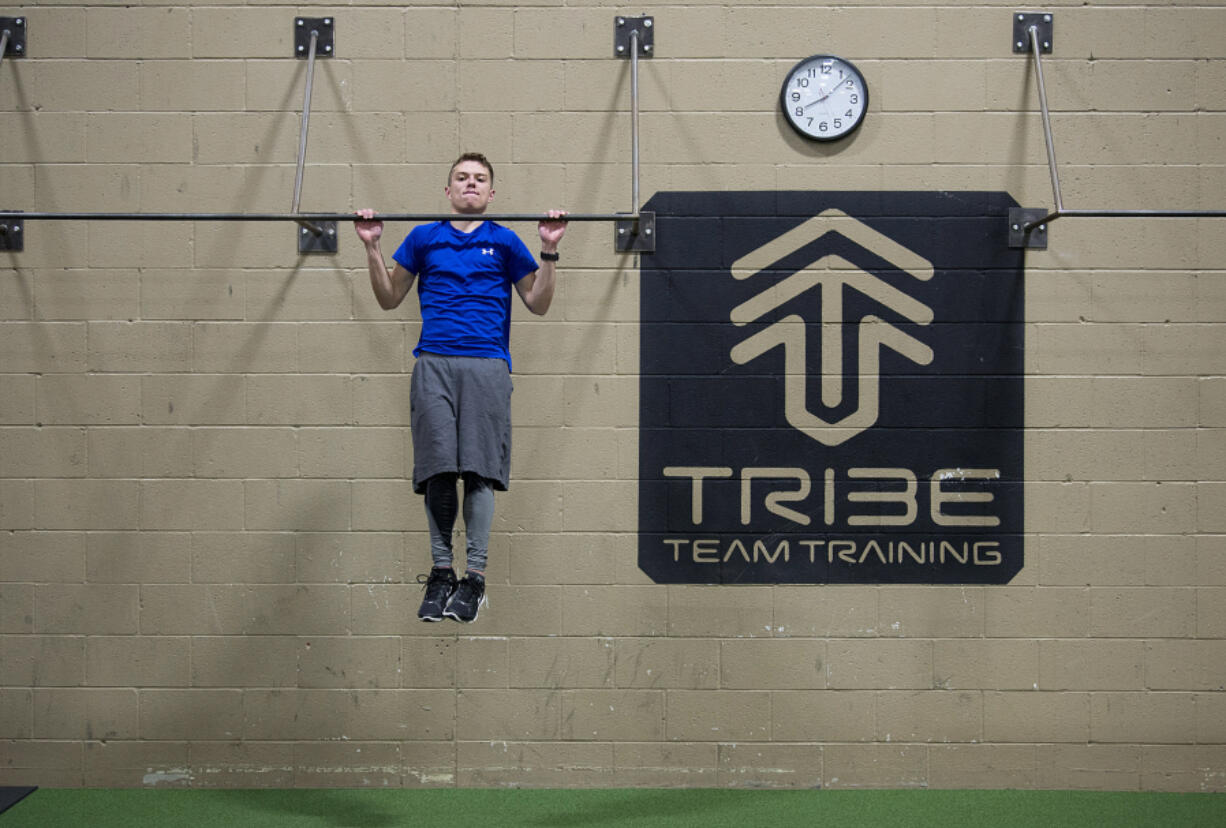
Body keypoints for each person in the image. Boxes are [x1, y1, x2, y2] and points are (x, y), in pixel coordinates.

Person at [354, 153, 567, 623]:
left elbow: (538, 302)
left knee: (478, 469)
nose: (470, 184)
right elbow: (389, 298)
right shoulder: (423, 238)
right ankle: (441, 572)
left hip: (487, 365)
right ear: (447, 190)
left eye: (480, 179)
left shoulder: (506, 241)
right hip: (434, 363)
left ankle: (474, 577)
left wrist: (549, 250)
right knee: (437, 468)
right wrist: (371, 247)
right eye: (462, 178)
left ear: (491, 194)